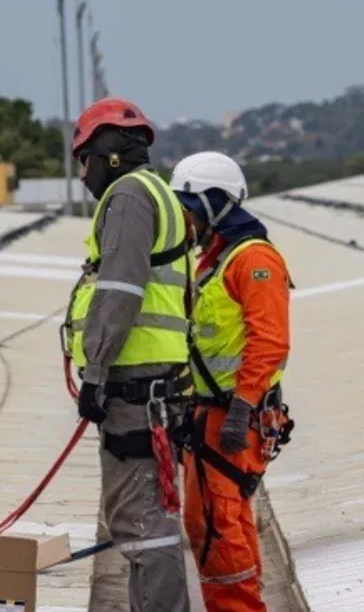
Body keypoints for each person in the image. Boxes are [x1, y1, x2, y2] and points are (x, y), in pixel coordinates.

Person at [63, 97, 194, 611]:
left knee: (144, 523)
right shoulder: (156, 194)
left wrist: (95, 372)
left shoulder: (129, 197)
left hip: (135, 384)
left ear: (107, 153)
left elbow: (119, 289)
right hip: (148, 382)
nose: (81, 174)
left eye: (83, 160)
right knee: (140, 521)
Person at [171, 151, 293, 612]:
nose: (183, 220)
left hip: (233, 416)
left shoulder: (254, 259)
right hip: (211, 415)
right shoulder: (214, 261)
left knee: (220, 529)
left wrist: (241, 408)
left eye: (187, 207)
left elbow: (270, 341)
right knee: (211, 525)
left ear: (213, 202)